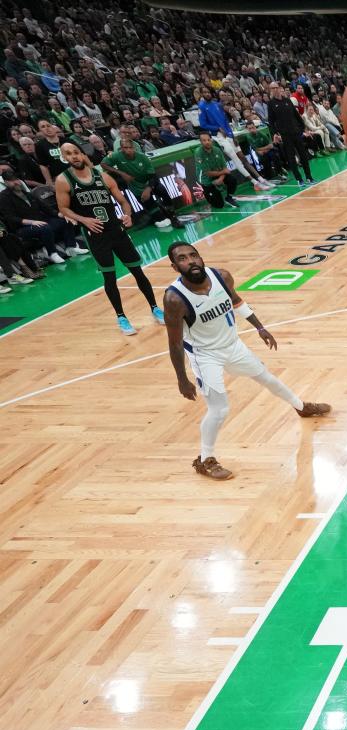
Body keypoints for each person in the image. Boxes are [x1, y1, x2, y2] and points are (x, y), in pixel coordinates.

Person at [163, 242, 331, 480]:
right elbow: (175, 343)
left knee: (266, 378)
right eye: (182, 259)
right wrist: (182, 379)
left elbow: (236, 300)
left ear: (200, 257)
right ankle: (204, 460)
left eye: (194, 255)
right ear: (174, 266)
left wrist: (260, 327)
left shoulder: (221, 276)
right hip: (204, 355)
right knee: (219, 410)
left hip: (233, 345)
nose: (190, 261)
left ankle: (301, 407)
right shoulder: (174, 299)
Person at [53, 142, 162, 335]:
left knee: (137, 270)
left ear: (82, 154)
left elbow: (123, 201)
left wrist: (127, 214)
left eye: (76, 152)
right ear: (64, 158)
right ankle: (121, 317)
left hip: (116, 229)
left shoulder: (102, 176)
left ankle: (155, 307)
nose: (74, 156)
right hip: (95, 234)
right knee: (110, 277)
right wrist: (83, 220)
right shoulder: (63, 180)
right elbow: (63, 208)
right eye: (69, 154)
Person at [101, 137, 183, 230]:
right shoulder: (116, 155)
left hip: (149, 182)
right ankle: (157, 215)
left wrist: (148, 189)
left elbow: (153, 175)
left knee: (162, 190)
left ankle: (172, 215)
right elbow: (103, 164)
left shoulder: (142, 157)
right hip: (136, 187)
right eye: (125, 147)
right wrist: (121, 173)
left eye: (129, 147)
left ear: (134, 148)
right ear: (121, 148)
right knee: (159, 218)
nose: (127, 150)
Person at [266, 81, 314, 185]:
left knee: (303, 155)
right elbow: (271, 121)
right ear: (271, 90)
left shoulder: (287, 100)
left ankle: (309, 177)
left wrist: (303, 128)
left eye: (276, 87)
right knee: (291, 158)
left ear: (279, 88)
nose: (274, 90)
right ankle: (299, 180)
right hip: (285, 135)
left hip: (296, 132)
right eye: (272, 88)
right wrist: (275, 133)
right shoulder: (271, 104)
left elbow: (296, 116)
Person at [195, 131, 242, 210]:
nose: (207, 142)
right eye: (204, 140)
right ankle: (207, 192)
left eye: (208, 140)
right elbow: (208, 173)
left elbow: (225, 168)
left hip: (219, 175)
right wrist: (222, 173)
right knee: (219, 205)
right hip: (206, 180)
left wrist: (220, 179)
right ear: (200, 142)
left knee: (232, 180)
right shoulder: (198, 153)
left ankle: (229, 197)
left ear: (211, 140)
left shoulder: (217, 150)